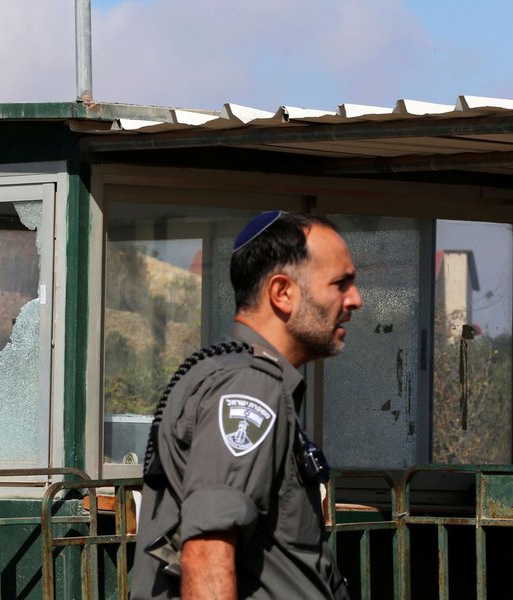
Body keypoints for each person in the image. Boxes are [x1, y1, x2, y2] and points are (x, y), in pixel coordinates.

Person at [130, 211, 361, 599]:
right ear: (282, 293)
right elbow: (206, 554)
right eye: (341, 284)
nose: (355, 299)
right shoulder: (250, 386)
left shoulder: (232, 371)